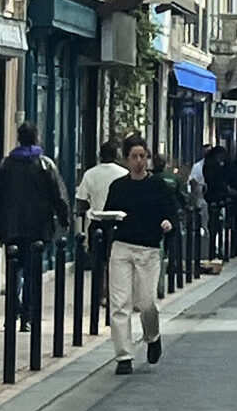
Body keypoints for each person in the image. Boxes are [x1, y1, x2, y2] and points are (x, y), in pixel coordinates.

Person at [105, 136, 179, 374]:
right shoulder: (118, 187)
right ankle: (123, 356)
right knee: (119, 303)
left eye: (143, 156)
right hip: (122, 247)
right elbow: (108, 214)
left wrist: (168, 224)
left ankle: (152, 335)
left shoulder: (158, 186)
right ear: (126, 159)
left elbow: (172, 213)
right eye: (135, 156)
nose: (139, 161)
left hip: (148, 248)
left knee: (146, 302)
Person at [0, 122, 70, 331]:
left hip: (12, 227)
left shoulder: (7, 164)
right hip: (38, 227)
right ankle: (28, 316)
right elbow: (58, 195)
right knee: (34, 271)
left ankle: (11, 313)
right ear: (36, 138)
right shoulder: (44, 164)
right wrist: (64, 219)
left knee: (14, 270)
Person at [75, 141, 129, 316]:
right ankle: (114, 295)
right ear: (117, 156)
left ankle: (98, 294)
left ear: (100, 155)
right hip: (119, 221)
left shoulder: (90, 174)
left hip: (97, 222)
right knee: (117, 261)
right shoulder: (124, 174)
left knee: (98, 261)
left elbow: (81, 200)